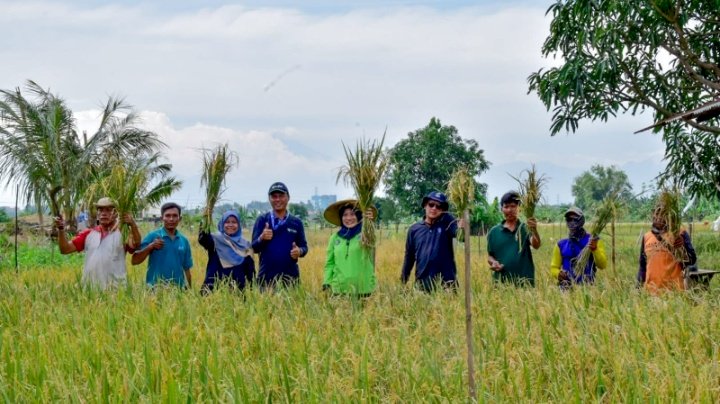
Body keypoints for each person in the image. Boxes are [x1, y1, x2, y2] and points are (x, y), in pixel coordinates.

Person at [55, 197, 141, 289]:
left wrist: (132, 224)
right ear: (97, 214)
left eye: (108, 210)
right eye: (100, 210)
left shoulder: (123, 234)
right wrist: (61, 229)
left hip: (116, 291)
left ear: (116, 214)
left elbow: (136, 244)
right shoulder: (89, 234)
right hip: (90, 292)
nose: (104, 213)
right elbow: (65, 249)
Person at [251, 182, 308, 288]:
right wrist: (261, 238)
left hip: (291, 279)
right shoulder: (262, 220)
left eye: (281, 196)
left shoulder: (296, 223)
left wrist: (299, 251)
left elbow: (304, 248)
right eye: (274, 196)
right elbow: (254, 248)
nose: (277, 200)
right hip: (266, 279)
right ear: (269, 199)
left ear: (288, 197)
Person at [401, 191, 459, 292]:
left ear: (443, 210)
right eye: (431, 204)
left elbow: (461, 236)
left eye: (439, 206)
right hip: (422, 284)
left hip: (447, 286)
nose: (434, 208)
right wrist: (403, 280)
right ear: (425, 205)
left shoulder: (447, 224)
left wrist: (463, 225)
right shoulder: (414, 230)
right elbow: (409, 257)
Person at [637, 203, 697, 292]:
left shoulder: (679, 234)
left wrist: (682, 246)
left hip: (674, 293)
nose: (658, 218)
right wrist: (638, 287)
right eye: (657, 214)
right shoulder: (646, 237)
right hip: (651, 293)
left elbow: (691, 260)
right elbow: (643, 266)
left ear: (669, 217)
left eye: (663, 214)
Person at [322, 200, 377, 297]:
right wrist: (327, 282)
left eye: (352, 214)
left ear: (358, 216)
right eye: (345, 215)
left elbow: (371, 242)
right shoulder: (335, 238)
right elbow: (329, 263)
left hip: (364, 289)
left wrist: (369, 223)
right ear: (341, 217)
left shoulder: (366, 234)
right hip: (339, 290)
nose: (348, 218)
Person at [132, 202, 194, 288]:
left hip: (179, 292)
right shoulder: (152, 236)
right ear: (162, 218)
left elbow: (187, 269)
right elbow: (134, 261)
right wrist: (151, 246)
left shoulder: (184, 240)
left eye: (175, 216)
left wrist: (189, 291)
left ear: (180, 219)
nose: (171, 219)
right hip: (155, 291)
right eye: (167, 216)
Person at [486, 191, 542, 286]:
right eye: (506, 207)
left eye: (513, 206)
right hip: (501, 284)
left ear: (519, 208)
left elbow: (536, 245)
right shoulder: (494, 232)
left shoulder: (525, 228)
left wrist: (534, 230)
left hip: (525, 284)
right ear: (501, 209)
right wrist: (494, 263)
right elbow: (490, 256)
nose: (509, 210)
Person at [198, 210, 255, 294]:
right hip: (213, 291)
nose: (230, 225)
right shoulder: (215, 240)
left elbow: (250, 272)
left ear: (239, 225)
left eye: (234, 222)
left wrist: (252, 291)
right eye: (227, 222)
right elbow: (203, 239)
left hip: (238, 293)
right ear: (222, 224)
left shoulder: (246, 245)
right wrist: (206, 219)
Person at [550, 207, 607, 288]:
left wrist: (595, 249)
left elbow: (602, 265)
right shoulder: (561, 244)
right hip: (566, 289)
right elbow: (554, 268)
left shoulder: (593, 240)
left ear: (582, 221)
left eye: (575, 219)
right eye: (569, 219)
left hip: (588, 289)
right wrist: (558, 274)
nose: (572, 223)